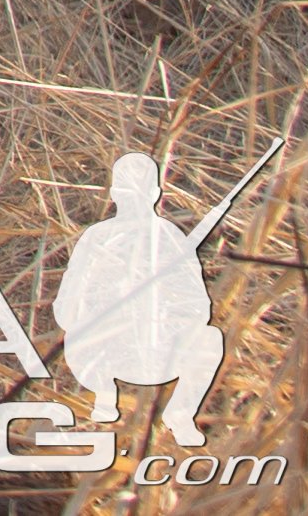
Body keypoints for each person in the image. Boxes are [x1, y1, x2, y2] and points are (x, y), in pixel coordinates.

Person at [57, 151, 226, 445]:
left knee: (210, 339)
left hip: (161, 351)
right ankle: (104, 397)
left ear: (155, 193)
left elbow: (200, 306)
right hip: (107, 353)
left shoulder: (171, 237)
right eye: (126, 192)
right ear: (114, 194)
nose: (132, 200)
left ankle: (181, 414)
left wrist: (163, 311)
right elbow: (66, 309)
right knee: (75, 335)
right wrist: (108, 307)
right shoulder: (97, 238)